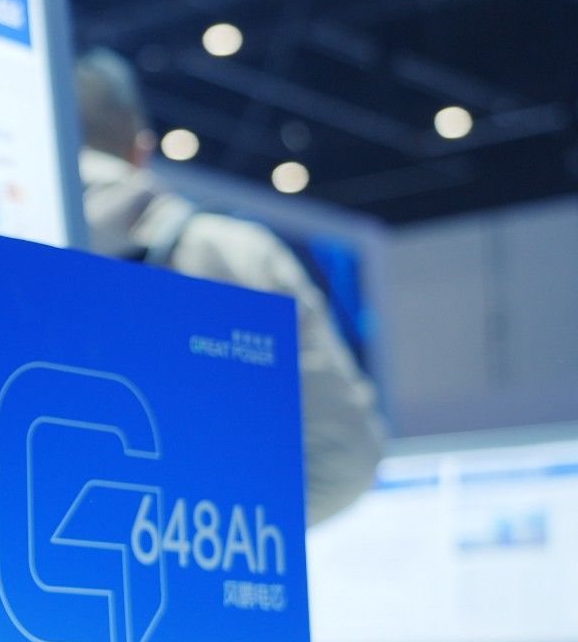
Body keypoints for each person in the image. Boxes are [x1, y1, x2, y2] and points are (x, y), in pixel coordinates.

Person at [73, 48, 386, 525]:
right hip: (188, 552)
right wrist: (224, 534)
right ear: (141, 148)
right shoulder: (237, 255)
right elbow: (345, 459)